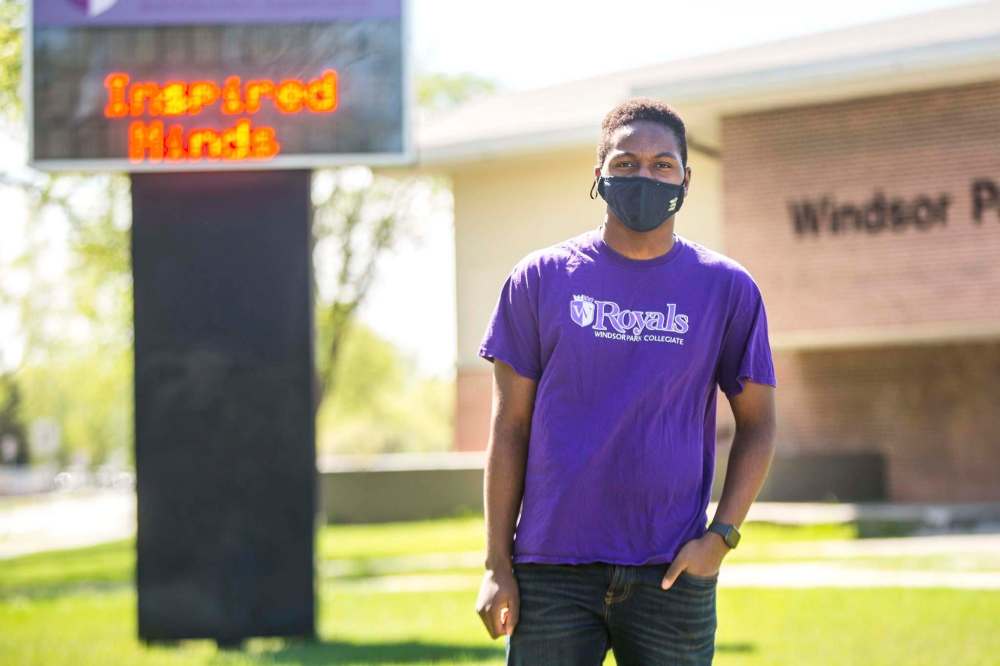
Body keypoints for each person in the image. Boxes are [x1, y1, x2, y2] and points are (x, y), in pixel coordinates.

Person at [473, 97, 778, 665]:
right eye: (626, 163)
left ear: (686, 179)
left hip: (671, 574)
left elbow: (759, 426)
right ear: (599, 177)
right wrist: (497, 565)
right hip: (551, 573)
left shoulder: (727, 289)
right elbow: (508, 429)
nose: (645, 175)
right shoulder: (538, 279)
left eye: (663, 165)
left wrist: (721, 538)